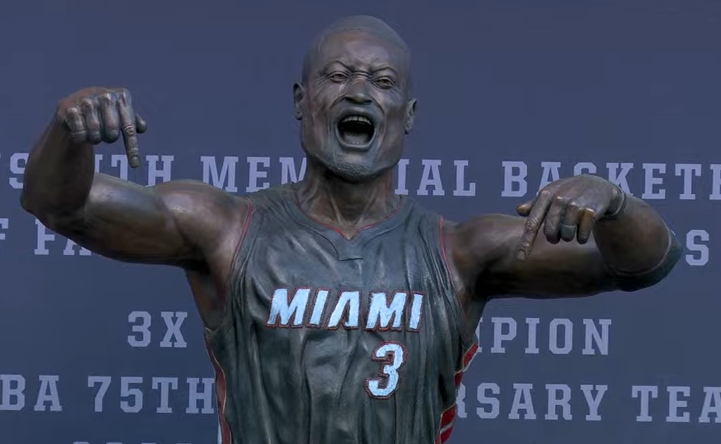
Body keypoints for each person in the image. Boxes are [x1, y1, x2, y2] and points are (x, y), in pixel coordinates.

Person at [20, 15, 681, 444]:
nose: (360, 92)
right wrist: (67, 131)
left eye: (382, 81)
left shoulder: (459, 253)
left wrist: (616, 203)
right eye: (337, 77)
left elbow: (641, 265)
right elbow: (60, 205)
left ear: (407, 114)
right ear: (301, 101)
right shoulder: (225, 229)